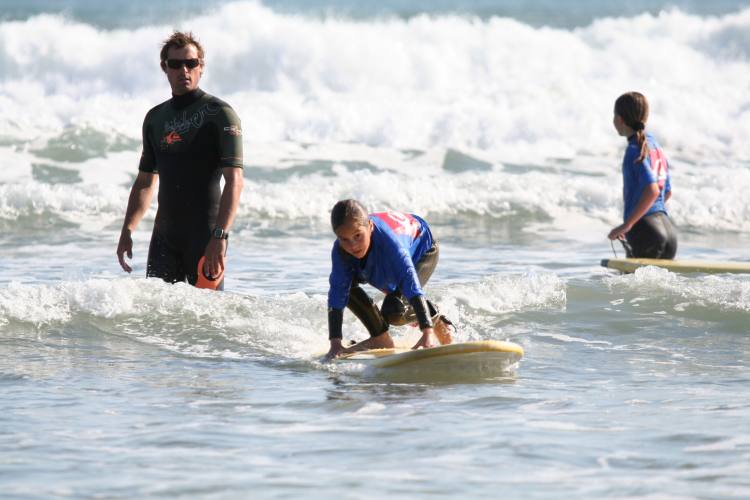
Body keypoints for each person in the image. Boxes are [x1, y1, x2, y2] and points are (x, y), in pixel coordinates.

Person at [116, 31, 244, 289]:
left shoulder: (220, 115)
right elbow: (144, 181)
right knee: (159, 322)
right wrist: (128, 228)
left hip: (206, 237)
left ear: (201, 66)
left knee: (209, 321)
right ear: (165, 68)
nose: (183, 70)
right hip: (165, 239)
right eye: (175, 64)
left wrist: (220, 236)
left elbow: (235, 182)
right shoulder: (155, 119)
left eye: (191, 63)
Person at [325, 199, 455, 360]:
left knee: (395, 311)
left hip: (422, 248)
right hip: (381, 257)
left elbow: (410, 284)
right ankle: (380, 338)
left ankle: (435, 317)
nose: (352, 245)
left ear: (370, 227)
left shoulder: (390, 244)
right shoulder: (340, 251)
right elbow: (336, 294)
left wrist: (426, 332)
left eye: (358, 236)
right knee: (343, 285)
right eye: (344, 239)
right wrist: (335, 343)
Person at [608, 91, 677, 259]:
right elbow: (666, 192)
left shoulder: (634, 150)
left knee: (628, 284)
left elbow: (652, 190)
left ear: (620, 119)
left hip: (646, 233)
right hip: (669, 233)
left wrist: (628, 225)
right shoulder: (655, 147)